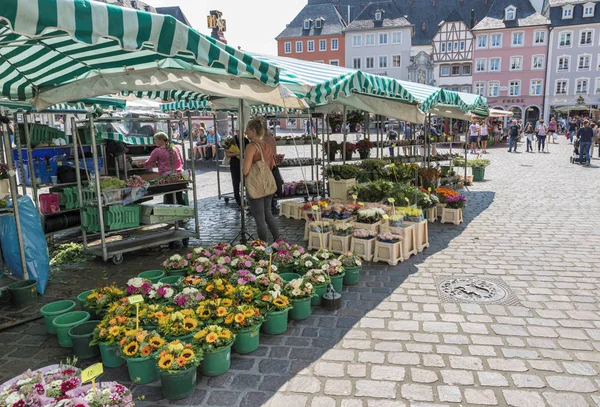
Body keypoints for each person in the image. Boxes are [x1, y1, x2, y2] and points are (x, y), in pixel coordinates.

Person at [243, 118, 280, 242]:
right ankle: (278, 241)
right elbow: (270, 165)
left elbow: (245, 170)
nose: (246, 132)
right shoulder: (267, 146)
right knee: (268, 215)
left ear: (253, 130)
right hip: (267, 184)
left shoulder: (251, 147)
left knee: (259, 219)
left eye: (248, 129)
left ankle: (263, 246)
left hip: (255, 185)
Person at [144, 132, 186, 205]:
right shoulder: (175, 148)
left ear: (161, 140)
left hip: (167, 179)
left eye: (156, 140)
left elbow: (149, 164)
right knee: (179, 198)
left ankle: (172, 213)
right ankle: (185, 212)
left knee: (169, 199)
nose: (155, 141)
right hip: (179, 177)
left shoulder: (157, 151)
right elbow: (182, 161)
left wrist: (140, 165)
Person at [263, 127, 284, 209]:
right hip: (272, 164)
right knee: (272, 184)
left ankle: (269, 203)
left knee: (267, 185)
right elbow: (274, 153)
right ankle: (272, 202)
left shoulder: (262, 140)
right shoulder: (272, 139)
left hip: (265, 165)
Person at [226, 131, 248, 207]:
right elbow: (228, 154)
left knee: (246, 182)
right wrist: (238, 153)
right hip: (235, 164)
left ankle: (248, 199)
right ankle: (238, 199)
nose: (240, 133)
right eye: (238, 131)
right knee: (236, 183)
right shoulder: (232, 140)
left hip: (244, 163)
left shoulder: (246, 140)